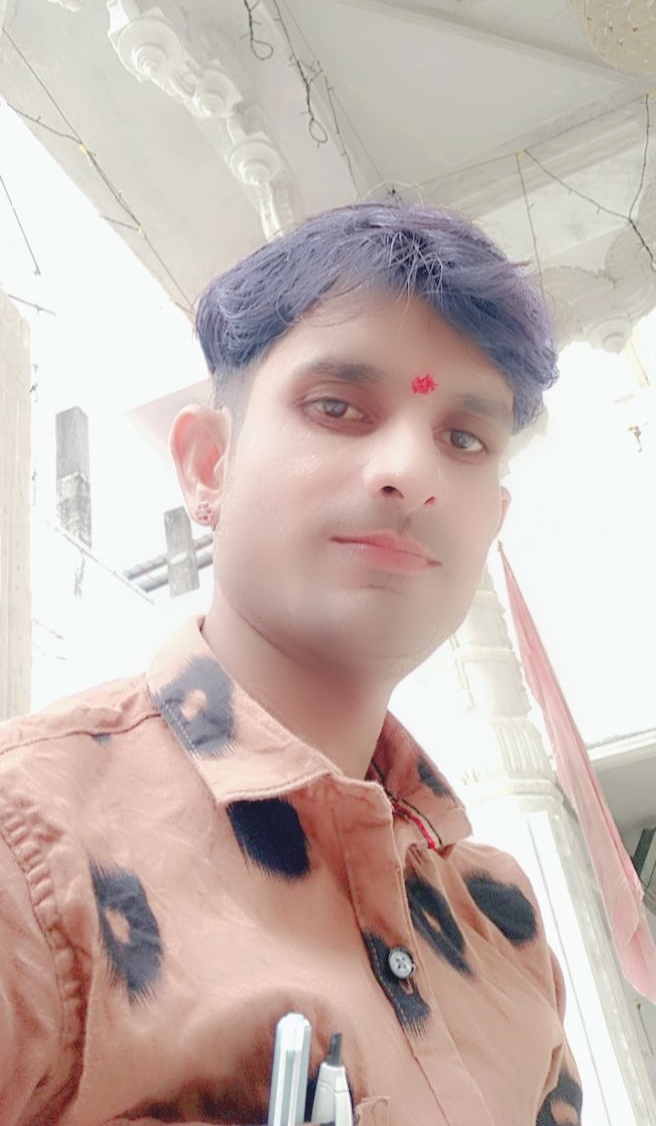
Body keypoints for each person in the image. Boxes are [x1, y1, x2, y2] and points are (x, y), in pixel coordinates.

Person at [0, 203, 583, 1126]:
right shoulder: (29, 853)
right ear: (208, 464)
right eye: (338, 407)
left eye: (464, 437)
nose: (410, 469)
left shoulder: (503, 923)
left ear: (491, 521)